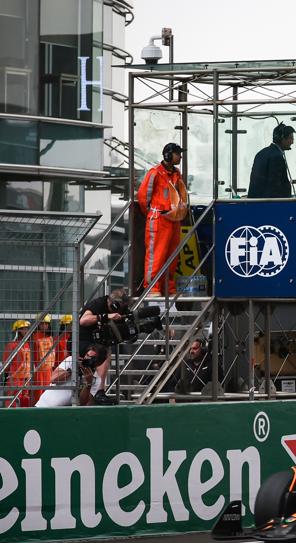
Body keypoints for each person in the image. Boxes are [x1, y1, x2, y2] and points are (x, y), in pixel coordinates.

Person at [137, 142, 187, 296]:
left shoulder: (176, 173)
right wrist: (153, 213)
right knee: (156, 255)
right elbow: (143, 196)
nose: (180, 157)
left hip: (173, 219)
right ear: (168, 155)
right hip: (159, 219)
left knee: (172, 256)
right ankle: (152, 287)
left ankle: (167, 287)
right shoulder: (155, 173)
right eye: (177, 154)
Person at [78, 289, 130, 401]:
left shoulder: (122, 310)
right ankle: (98, 392)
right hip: (82, 341)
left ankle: (96, 391)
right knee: (103, 352)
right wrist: (106, 316)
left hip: (98, 341)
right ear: (114, 305)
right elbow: (83, 320)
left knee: (104, 350)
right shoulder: (97, 304)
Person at [36, 344, 109, 407]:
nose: (87, 359)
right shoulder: (71, 361)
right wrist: (72, 370)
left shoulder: (95, 379)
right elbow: (53, 379)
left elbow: (82, 403)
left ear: (99, 363)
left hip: (64, 412)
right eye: (87, 355)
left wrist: (88, 382)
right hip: (44, 406)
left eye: (92, 358)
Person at [248, 123, 295, 198]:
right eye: (291, 139)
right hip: (270, 202)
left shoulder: (262, 153)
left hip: (257, 200)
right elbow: (274, 184)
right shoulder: (276, 156)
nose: (292, 142)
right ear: (282, 138)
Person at [3, 320, 33, 407]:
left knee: (25, 399)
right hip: (15, 378)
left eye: (27, 329)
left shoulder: (27, 344)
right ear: (18, 331)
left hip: (26, 378)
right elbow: (5, 363)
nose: (26, 331)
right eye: (23, 329)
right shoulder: (12, 345)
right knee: (13, 399)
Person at [31, 314, 56, 405]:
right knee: (38, 392)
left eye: (46, 324)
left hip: (49, 370)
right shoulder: (34, 337)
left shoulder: (50, 337)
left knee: (48, 392)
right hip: (38, 370)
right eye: (42, 324)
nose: (44, 326)